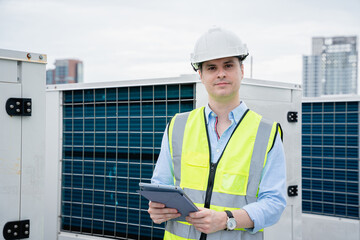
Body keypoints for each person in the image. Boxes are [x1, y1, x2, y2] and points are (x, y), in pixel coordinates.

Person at [147, 27, 287, 240]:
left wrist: (226, 219)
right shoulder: (178, 126)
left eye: (228, 65)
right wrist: (157, 209)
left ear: (241, 70)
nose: (221, 73)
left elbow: (274, 203)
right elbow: (160, 187)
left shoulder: (266, 132)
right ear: (201, 75)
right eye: (212, 67)